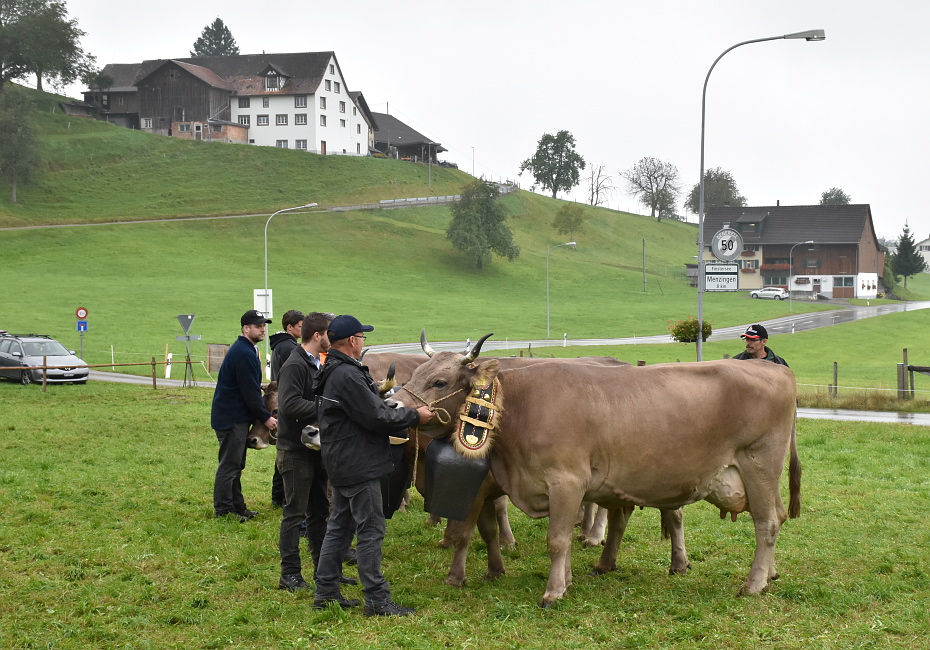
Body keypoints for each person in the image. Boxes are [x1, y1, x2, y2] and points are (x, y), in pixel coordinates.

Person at [312, 315, 433, 616]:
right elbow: (376, 418)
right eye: (362, 337)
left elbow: (368, 409)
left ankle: (326, 592)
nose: (364, 340)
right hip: (358, 464)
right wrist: (416, 415)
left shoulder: (334, 370)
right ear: (352, 340)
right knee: (371, 530)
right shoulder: (348, 375)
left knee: (339, 527)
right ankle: (377, 601)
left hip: (342, 461)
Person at [276, 312, 359, 591]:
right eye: (329, 334)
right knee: (294, 513)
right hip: (295, 450)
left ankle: (326, 572)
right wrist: (328, 408)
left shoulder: (317, 363)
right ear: (317, 335)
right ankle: (289, 574)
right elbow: (288, 405)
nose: (332, 339)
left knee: (319, 513)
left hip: (316, 448)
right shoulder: (295, 365)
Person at [211, 309, 277, 522]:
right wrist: (266, 417)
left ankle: (238, 507)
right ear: (245, 328)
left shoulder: (247, 350)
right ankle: (224, 510)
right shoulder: (243, 352)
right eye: (258, 326)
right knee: (229, 465)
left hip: (235, 416)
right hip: (231, 418)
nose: (263, 329)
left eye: (264, 326)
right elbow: (249, 393)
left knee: (236, 464)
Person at [269, 309, 305, 507]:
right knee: (288, 449)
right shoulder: (289, 347)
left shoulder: (281, 345)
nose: (303, 329)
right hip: (287, 400)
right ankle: (281, 496)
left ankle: (277, 496)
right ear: (289, 327)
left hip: (282, 398)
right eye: (300, 326)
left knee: (283, 450)